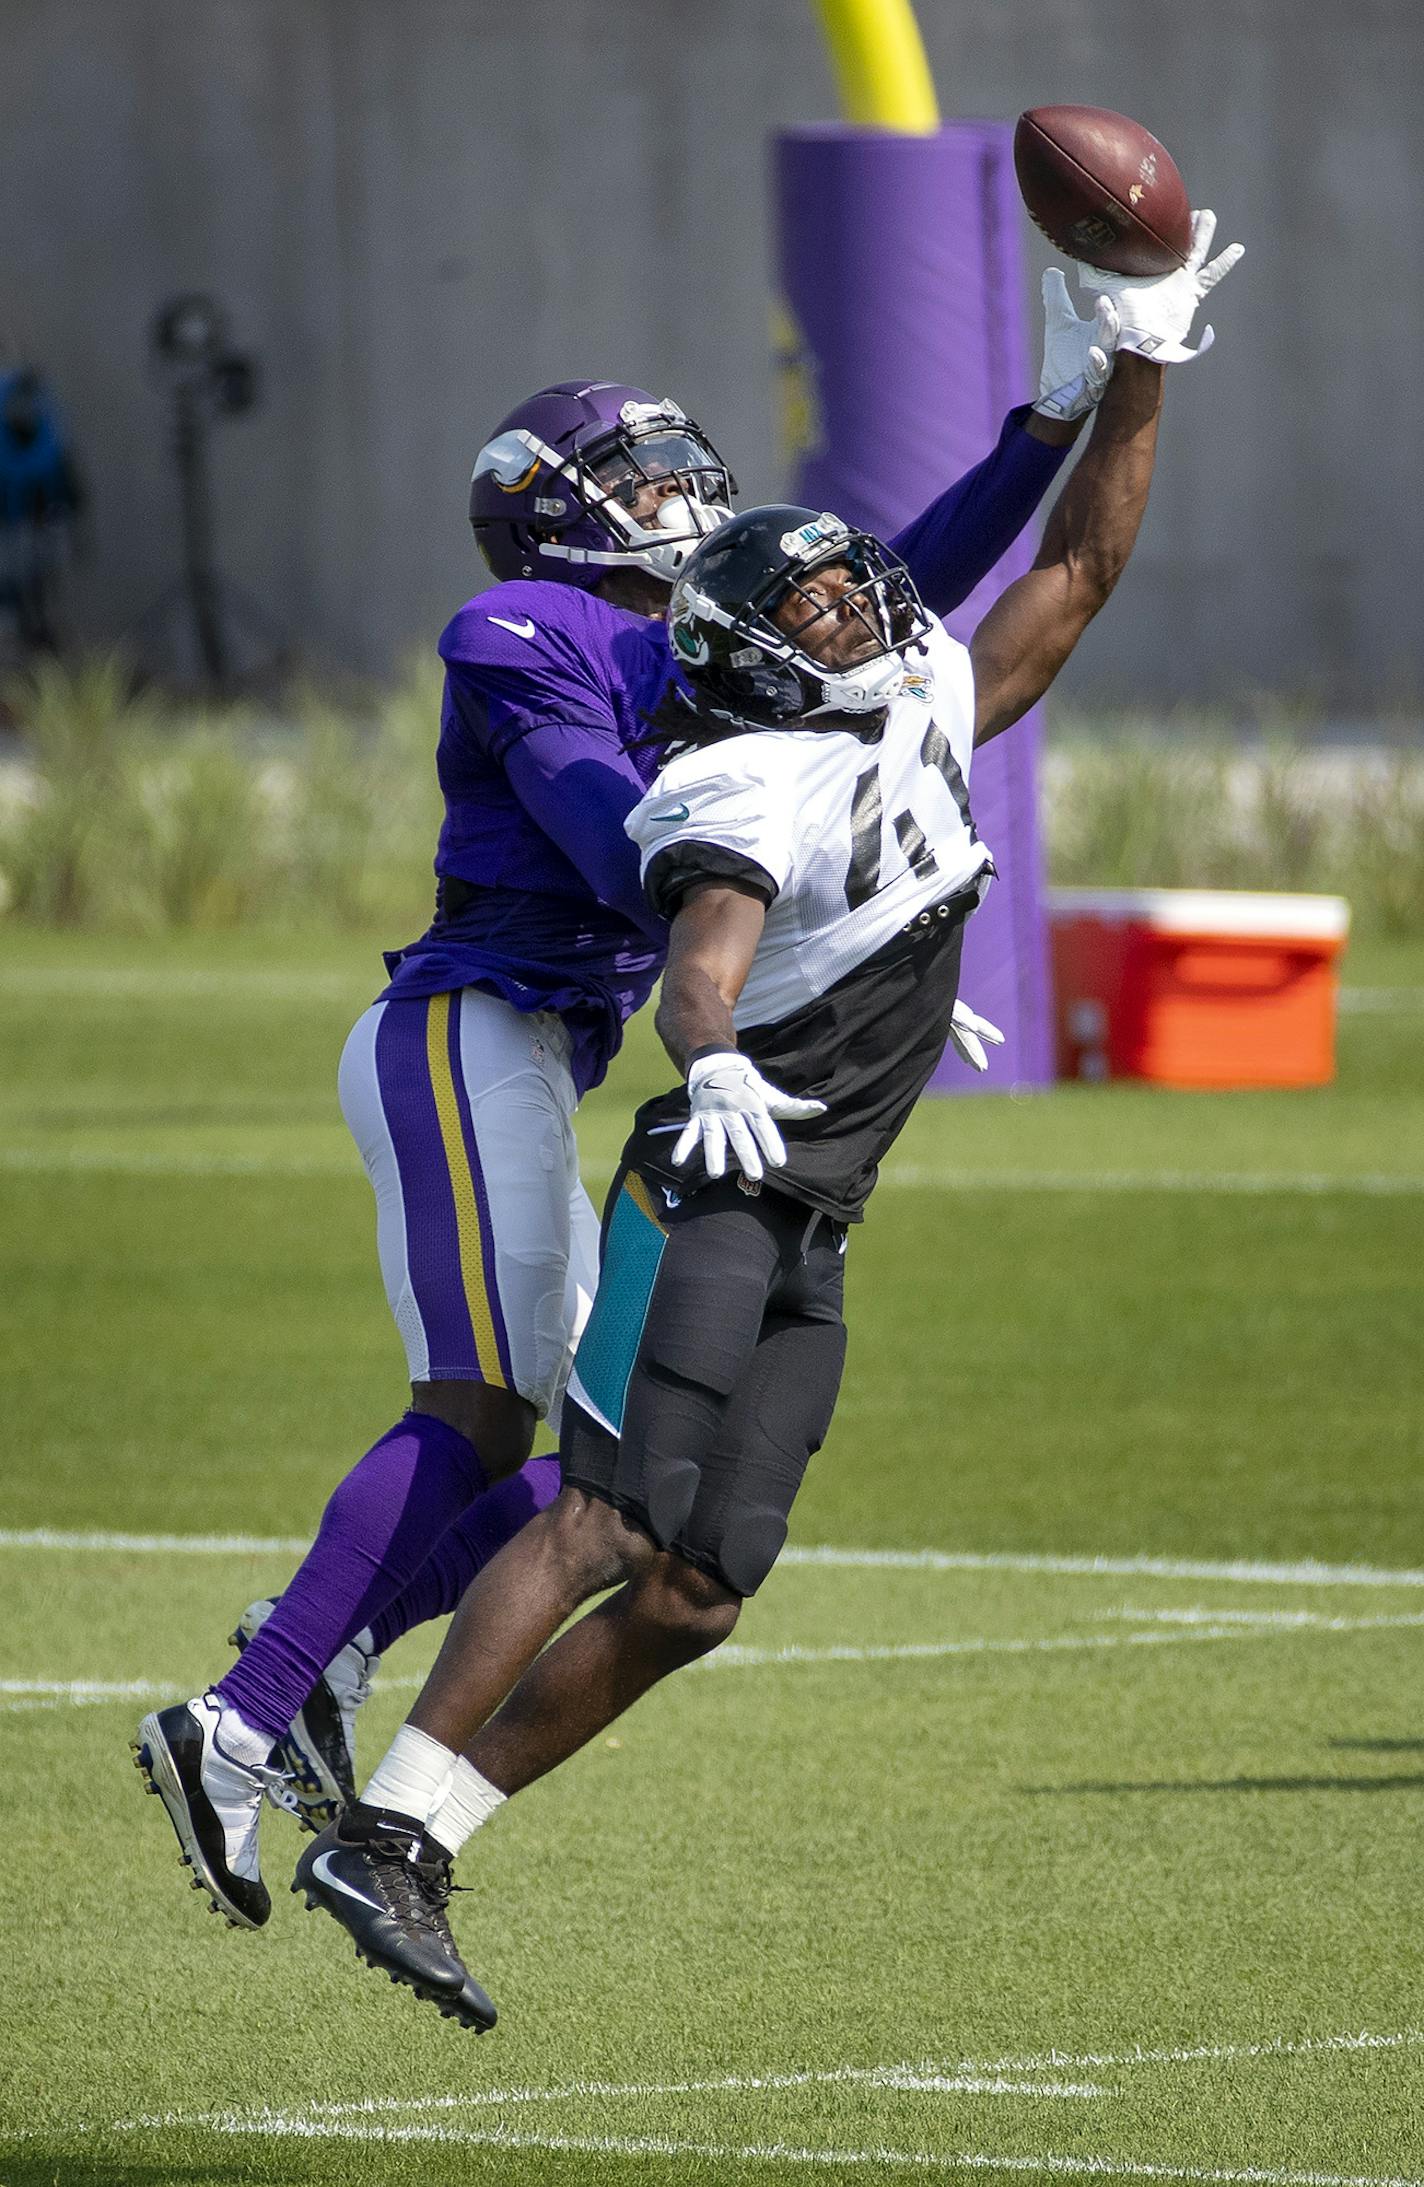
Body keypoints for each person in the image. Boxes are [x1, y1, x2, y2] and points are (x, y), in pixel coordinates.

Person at [289, 216, 1243, 2034]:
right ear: (745, 651)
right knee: (590, 1521)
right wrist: (716, 1048)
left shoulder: (907, 720)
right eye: (819, 605)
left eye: (854, 591)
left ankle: (423, 1830)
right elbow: (700, 959)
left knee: (701, 1590)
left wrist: (1144, 367)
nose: (866, 610)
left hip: (814, 1222)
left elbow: (1080, 570)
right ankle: (383, 1830)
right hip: (716, 1181)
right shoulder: (735, 771)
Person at [133, 279, 1120, 1935]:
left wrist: (1047, 421)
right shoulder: (521, 630)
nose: (691, 507)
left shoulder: (696, 648)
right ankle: (241, 1719)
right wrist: (849, 916)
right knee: (487, 1405)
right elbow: (628, 843)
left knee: (601, 1457)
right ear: (562, 512)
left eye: (685, 472)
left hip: (553, 1051)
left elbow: (905, 597)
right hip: (463, 1030)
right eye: (649, 485)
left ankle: (311, 1671)